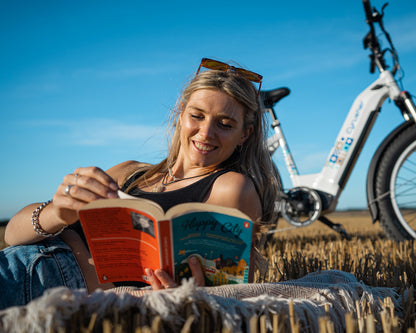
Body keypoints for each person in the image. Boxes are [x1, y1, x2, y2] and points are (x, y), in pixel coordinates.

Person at [0, 58, 278, 310]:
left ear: (245, 134)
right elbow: (12, 236)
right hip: (17, 262)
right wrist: (57, 213)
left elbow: (237, 296)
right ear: (180, 115)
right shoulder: (129, 172)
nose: (206, 132)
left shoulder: (230, 187)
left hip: (55, 285)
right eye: (197, 115)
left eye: (225, 123)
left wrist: (190, 298)